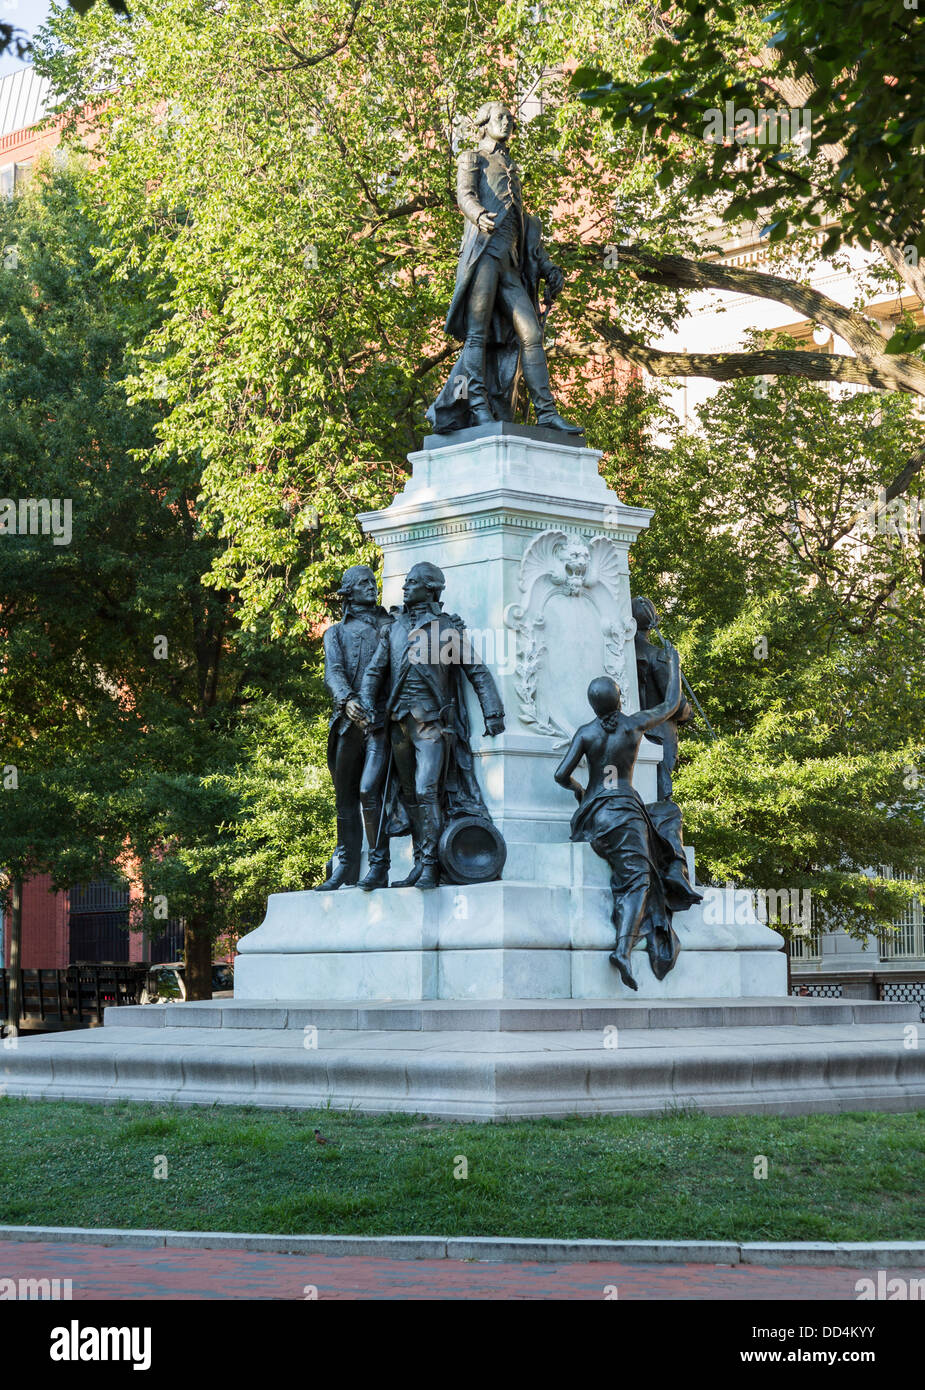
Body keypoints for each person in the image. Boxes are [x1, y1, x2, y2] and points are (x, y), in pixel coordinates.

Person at [426, 101, 582, 435]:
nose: (508, 122)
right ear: (483, 124)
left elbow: (524, 226)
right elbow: (464, 195)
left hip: (510, 266)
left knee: (531, 333)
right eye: (501, 117)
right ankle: (479, 407)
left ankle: (547, 412)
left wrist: (546, 265)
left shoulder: (510, 166)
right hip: (483, 257)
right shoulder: (472, 159)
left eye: (510, 118)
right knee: (477, 334)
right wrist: (478, 215)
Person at [554, 649, 702, 991]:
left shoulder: (586, 733)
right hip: (623, 811)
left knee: (662, 820)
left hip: (592, 817)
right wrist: (674, 663)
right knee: (637, 880)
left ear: (594, 705)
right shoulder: (633, 724)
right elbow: (670, 705)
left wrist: (580, 792)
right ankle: (623, 949)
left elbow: (560, 774)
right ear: (619, 698)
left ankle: (669, 878)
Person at [358, 561, 505, 889]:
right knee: (410, 796)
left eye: (412, 582)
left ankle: (431, 866)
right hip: (399, 724)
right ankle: (418, 862)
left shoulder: (446, 629)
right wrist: (368, 703)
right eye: (406, 582)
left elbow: (476, 670)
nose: (405, 587)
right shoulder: (394, 628)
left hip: (432, 725)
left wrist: (493, 713)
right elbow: (373, 672)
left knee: (427, 791)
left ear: (431, 589)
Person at [317, 566, 393, 891]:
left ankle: (378, 864)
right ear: (349, 591)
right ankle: (345, 865)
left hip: (380, 722)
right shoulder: (334, 633)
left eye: (373, 582)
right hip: (347, 723)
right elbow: (332, 671)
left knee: (370, 792)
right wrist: (346, 700)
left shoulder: (391, 625)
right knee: (344, 798)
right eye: (364, 583)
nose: (371, 587)